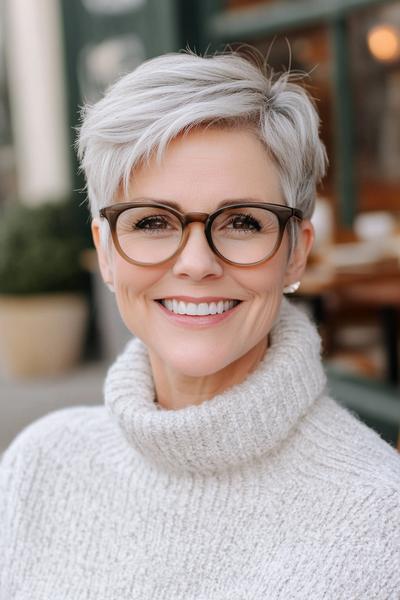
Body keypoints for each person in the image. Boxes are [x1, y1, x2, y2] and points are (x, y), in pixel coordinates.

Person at [1, 50, 399, 599]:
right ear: (107, 254)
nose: (195, 263)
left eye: (241, 222)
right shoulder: (39, 467)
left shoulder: (380, 519)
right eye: (151, 221)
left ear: (296, 253)